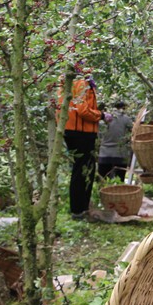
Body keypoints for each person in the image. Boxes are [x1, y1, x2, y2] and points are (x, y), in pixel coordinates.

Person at [58, 73, 112, 220]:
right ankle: (79, 210)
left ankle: (80, 208)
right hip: (81, 132)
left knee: (81, 169)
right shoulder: (82, 83)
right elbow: (82, 110)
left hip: (71, 130)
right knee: (84, 170)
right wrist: (101, 115)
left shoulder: (66, 81)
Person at [98, 100, 133, 182]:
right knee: (120, 180)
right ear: (123, 108)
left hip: (104, 154)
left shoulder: (103, 119)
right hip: (120, 153)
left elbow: (99, 134)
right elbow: (133, 131)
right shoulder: (126, 119)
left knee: (103, 180)